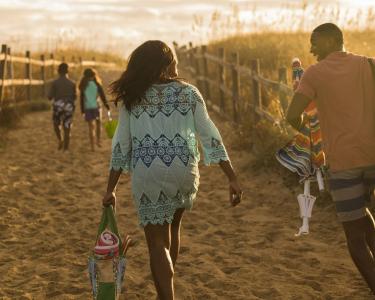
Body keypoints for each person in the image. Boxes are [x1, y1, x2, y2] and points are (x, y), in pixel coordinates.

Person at [102, 40, 243, 300]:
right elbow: (210, 134)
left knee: (156, 243)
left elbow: (121, 144)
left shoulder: (132, 97)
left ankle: (166, 296)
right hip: (184, 171)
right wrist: (231, 177)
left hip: (148, 172)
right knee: (173, 230)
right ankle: (165, 292)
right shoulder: (189, 93)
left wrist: (110, 189)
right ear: (167, 64)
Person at [286, 23, 375, 294]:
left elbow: (291, 116)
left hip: (343, 164)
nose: (311, 48)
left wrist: (310, 126)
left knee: (354, 235)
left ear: (333, 40)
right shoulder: (369, 64)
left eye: (316, 42)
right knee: (365, 217)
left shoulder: (313, 74)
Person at [78, 68, 110, 151]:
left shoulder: (83, 86)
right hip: (97, 107)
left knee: (91, 127)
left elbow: (81, 99)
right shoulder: (97, 84)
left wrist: (82, 110)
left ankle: (92, 146)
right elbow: (102, 96)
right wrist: (106, 105)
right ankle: (98, 141)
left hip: (88, 108)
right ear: (93, 75)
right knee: (98, 124)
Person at [48, 63, 77, 151]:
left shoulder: (55, 83)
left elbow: (50, 97)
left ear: (58, 71)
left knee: (56, 124)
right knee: (67, 126)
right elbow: (75, 97)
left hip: (58, 106)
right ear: (67, 71)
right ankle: (66, 148)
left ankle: (60, 139)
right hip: (68, 106)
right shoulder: (72, 83)